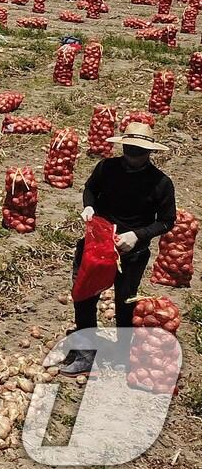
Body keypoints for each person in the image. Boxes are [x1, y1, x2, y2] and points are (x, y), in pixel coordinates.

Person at [60, 122, 176, 375]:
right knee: (84, 297)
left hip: (132, 252)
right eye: (129, 149)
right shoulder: (107, 168)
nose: (132, 156)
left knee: (125, 303)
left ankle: (123, 352)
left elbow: (167, 221)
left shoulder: (161, 183)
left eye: (139, 151)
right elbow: (90, 189)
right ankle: (85, 353)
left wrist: (137, 235)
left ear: (149, 152)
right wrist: (89, 206)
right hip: (97, 246)